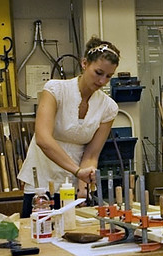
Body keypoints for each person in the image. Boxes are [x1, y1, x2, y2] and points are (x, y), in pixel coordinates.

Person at [17, 37, 120, 218]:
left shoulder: (108, 107)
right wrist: (78, 171)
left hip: (70, 185)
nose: (103, 81)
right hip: (41, 181)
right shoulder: (55, 90)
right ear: (84, 63)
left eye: (109, 76)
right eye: (98, 72)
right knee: (37, 235)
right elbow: (43, 139)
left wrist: (83, 184)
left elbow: (91, 154)